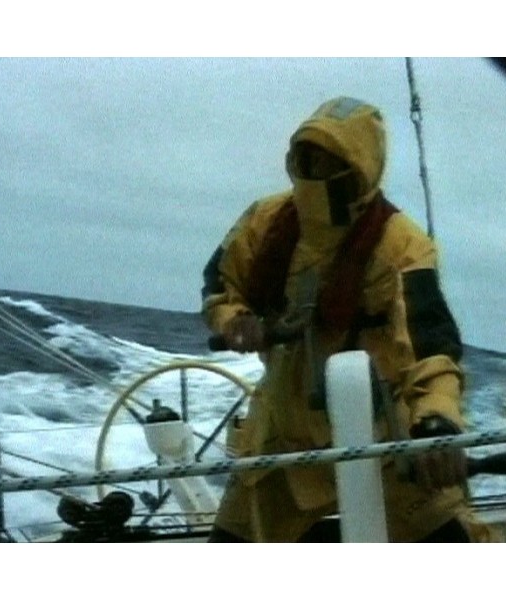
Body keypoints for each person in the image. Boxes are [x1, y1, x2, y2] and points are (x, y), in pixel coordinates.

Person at [201, 97, 486, 542]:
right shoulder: (263, 221)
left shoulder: (403, 247)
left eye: (331, 161)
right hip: (282, 437)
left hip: (382, 438)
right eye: (308, 157)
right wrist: (234, 320)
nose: (316, 171)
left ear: (361, 169)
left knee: (454, 541)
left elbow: (431, 348)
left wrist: (437, 421)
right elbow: (220, 283)